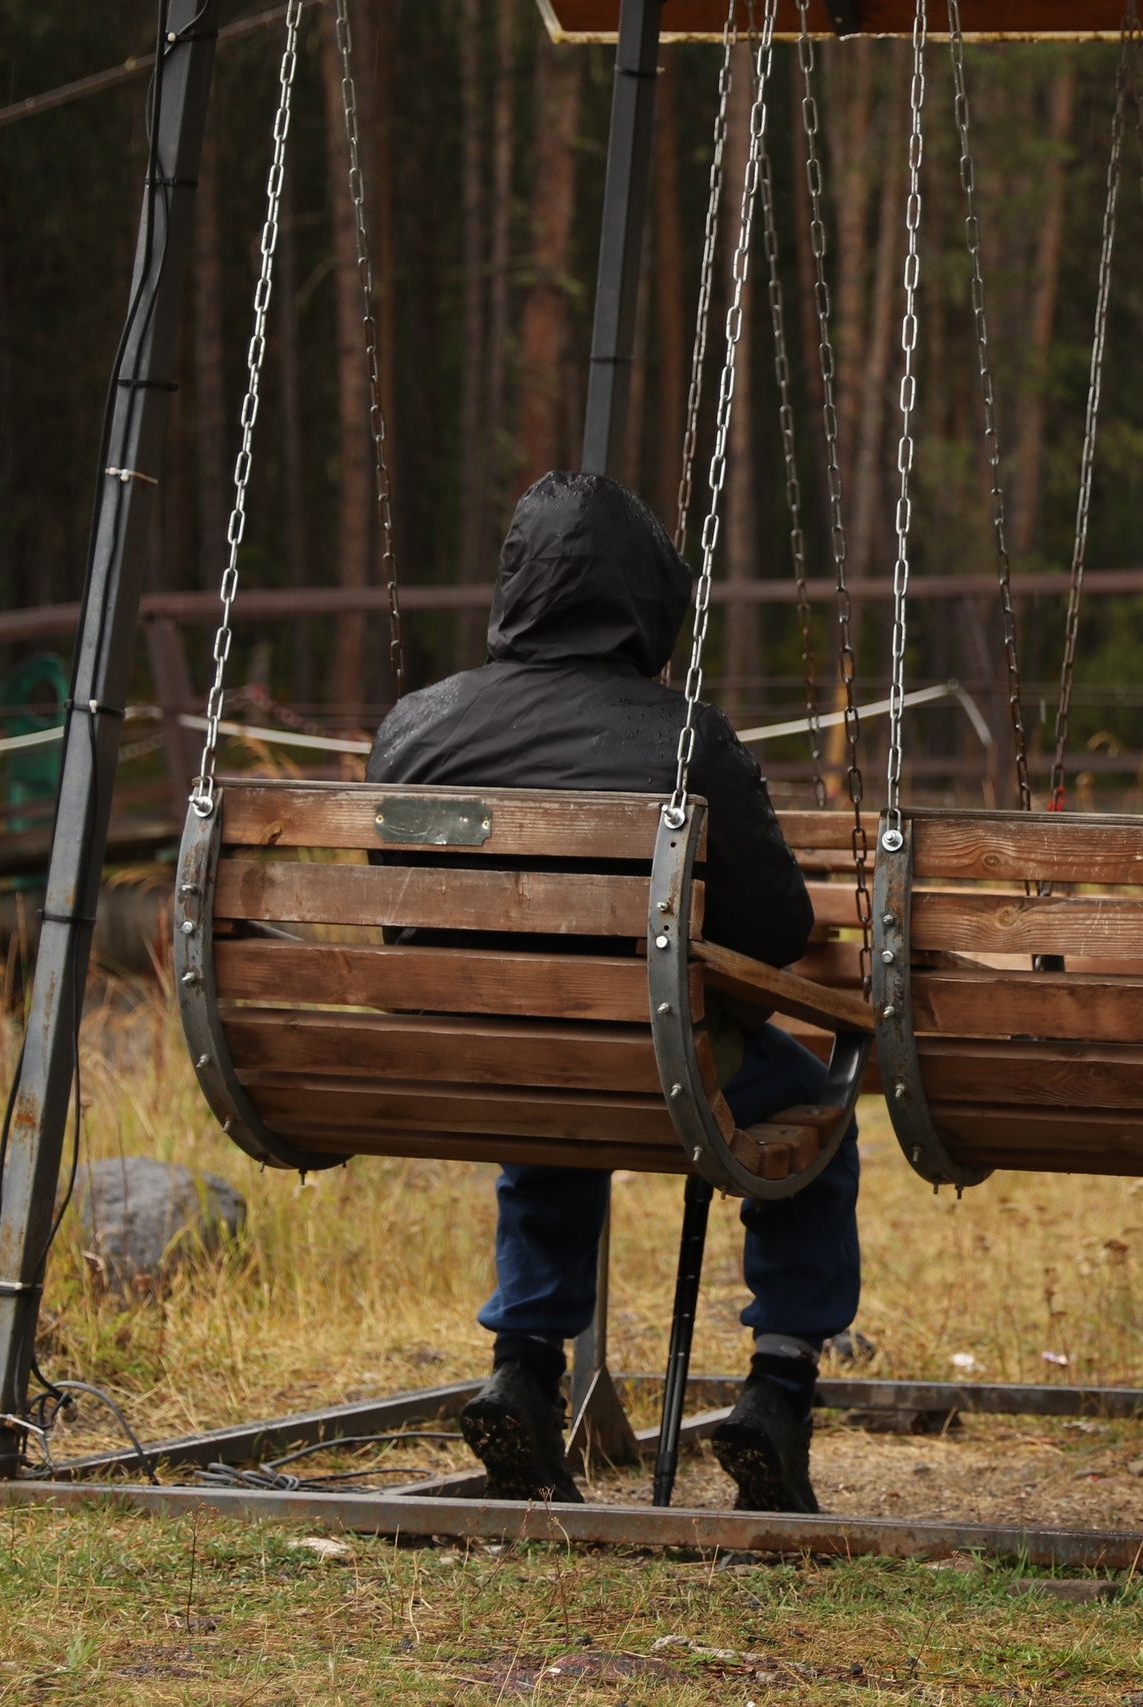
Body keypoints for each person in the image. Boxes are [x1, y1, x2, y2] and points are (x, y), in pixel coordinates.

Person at [367, 471, 858, 1511]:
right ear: (647, 595)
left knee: (552, 1089)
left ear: (516, 583)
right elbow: (779, 931)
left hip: (474, 1055)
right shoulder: (687, 740)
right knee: (814, 1110)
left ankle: (524, 1369)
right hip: (647, 1056)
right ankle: (778, 1387)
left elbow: (402, 919)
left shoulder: (415, 726)